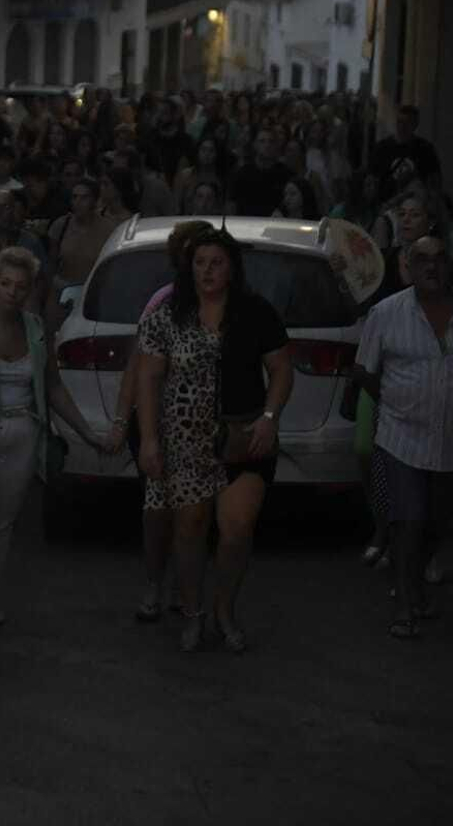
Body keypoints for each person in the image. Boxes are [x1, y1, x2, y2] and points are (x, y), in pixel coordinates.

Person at [137, 229, 293, 653]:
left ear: (232, 268)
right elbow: (147, 380)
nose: (208, 270)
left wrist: (269, 418)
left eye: (217, 262)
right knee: (189, 528)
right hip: (183, 444)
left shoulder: (255, 312)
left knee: (237, 529)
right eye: (200, 262)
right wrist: (149, 440)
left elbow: (281, 369)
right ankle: (192, 612)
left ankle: (225, 608)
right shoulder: (167, 314)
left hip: (244, 438)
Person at [0, 248, 105, 645]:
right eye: (5, 284)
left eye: (21, 286)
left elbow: (52, 386)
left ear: (30, 289)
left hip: (22, 433)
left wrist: (86, 432)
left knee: (1, 525)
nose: (12, 292)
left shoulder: (36, 330)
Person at [106, 220, 216, 622]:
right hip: (159, 426)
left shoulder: (231, 306)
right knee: (158, 512)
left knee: (197, 517)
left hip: (210, 430)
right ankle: (155, 582)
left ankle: (187, 591)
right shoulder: (163, 303)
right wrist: (122, 420)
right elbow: (139, 367)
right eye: (192, 256)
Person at [353, 236, 453, 640]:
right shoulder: (387, 313)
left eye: (439, 259)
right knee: (409, 520)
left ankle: (411, 584)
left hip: (450, 439)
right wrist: (393, 401)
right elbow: (363, 371)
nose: (432, 267)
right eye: (422, 260)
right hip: (401, 436)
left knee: (437, 524)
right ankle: (404, 607)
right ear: (409, 268)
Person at [44, 177, 119, 326]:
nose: (78, 202)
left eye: (84, 198)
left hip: (94, 294)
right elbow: (51, 264)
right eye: (74, 197)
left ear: (95, 201)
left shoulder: (109, 229)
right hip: (63, 292)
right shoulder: (61, 225)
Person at [370, 104, 443, 190]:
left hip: (416, 198)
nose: (402, 127)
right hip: (387, 199)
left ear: (415, 125)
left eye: (407, 122)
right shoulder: (382, 148)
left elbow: (434, 178)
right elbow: (372, 177)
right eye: (399, 122)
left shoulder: (425, 148)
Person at [229, 127, 291, 218]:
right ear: (255, 145)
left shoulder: (285, 173)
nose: (267, 145)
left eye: (271, 141)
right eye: (262, 141)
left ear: (276, 145)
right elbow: (232, 204)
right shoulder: (242, 173)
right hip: (246, 224)